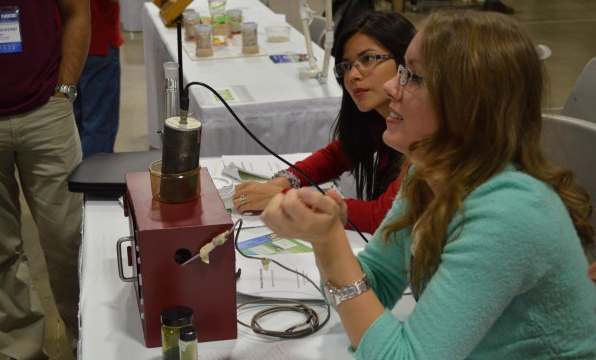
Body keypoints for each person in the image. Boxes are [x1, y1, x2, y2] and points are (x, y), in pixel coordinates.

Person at [261, 10, 596, 359]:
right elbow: (374, 282)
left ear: (467, 106)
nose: (392, 86)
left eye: (414, 77)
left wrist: (330, 242)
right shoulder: (426, 175)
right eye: (403, 69)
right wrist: (323, 239)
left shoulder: (508, 214)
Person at [0, 2, 89, 359]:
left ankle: (89, 339)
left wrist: (66, 91)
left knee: (69, 238)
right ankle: (23, 350)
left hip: (47, 113)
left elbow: (78, 11)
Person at [233, 12, 415, 233]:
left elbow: (382, 217)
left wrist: (285, 197)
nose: (352, 76)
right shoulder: (379, 119)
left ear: (406, 61)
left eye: (367, 59)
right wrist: (284, 182)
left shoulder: (425, 130)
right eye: (346, 66)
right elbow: (339, 154)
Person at [74, 0, 124, 158]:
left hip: (68, 44)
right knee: (98, 125)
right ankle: (93, 179)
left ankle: (79, 176)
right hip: (97, 41)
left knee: (76, 121)